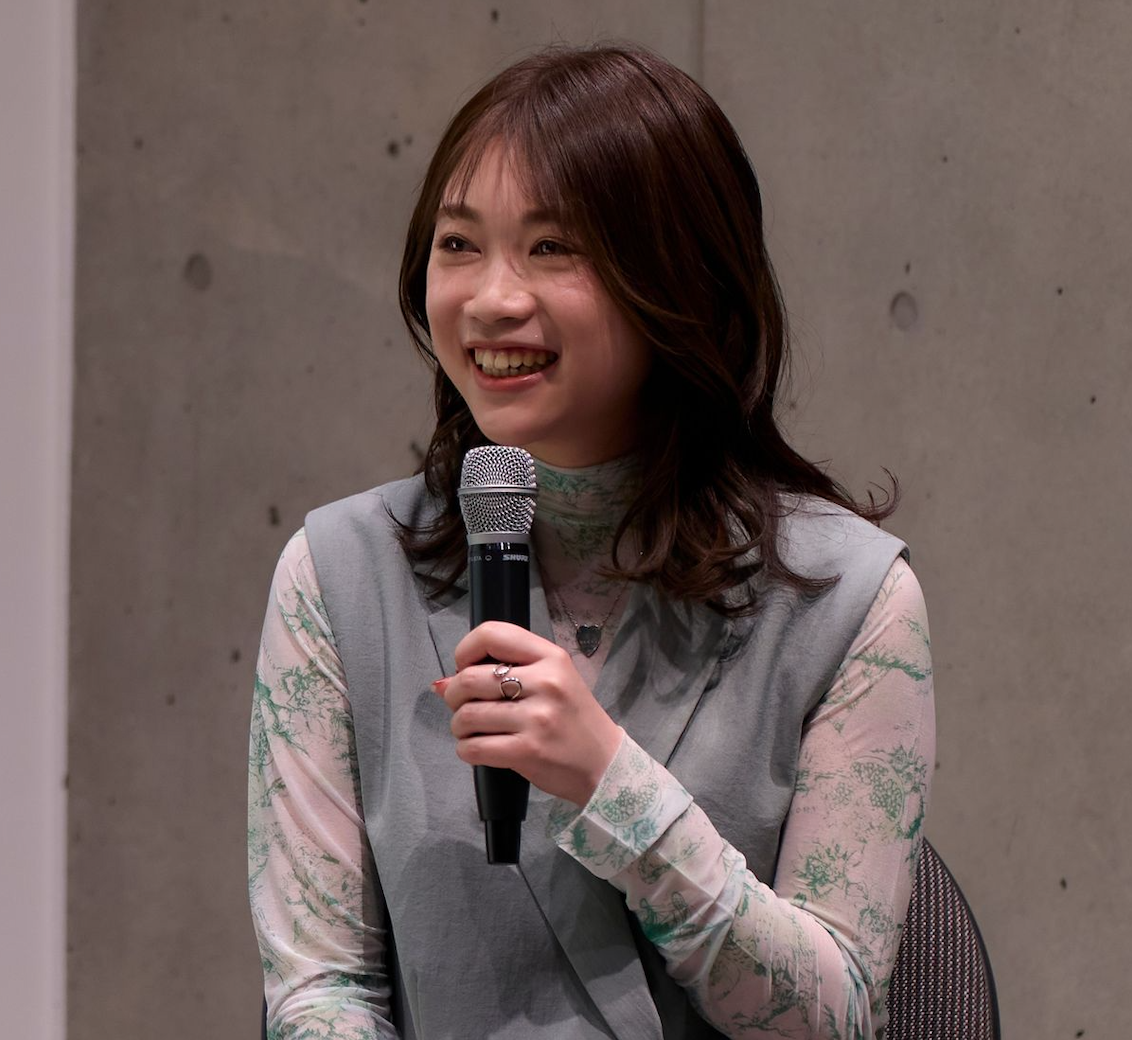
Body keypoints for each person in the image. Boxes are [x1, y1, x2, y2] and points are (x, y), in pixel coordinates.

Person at [248, 43, 934, 1040]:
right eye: (458, 243)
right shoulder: (338, 576)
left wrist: (613, 785)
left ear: (684, 280)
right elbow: (321, 992)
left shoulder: (849, 601)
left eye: (553, 247)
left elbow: (835, 1018)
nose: (492, 298)